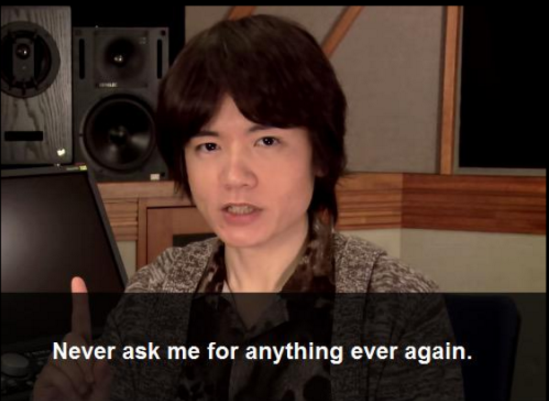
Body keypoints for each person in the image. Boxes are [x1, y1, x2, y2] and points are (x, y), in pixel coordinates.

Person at [33, 14, 464, 401]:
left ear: (320, 154)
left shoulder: (398, 308)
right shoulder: (154, 292)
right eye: (208, 146)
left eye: (267, 141)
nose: (234, 176)